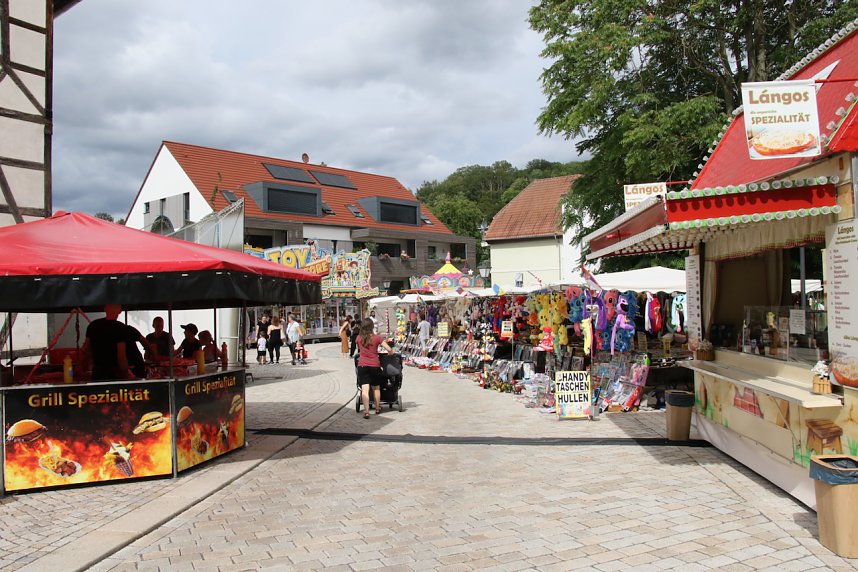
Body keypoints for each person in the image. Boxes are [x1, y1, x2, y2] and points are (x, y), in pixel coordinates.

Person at [79, 303, 131, 381]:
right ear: (120, 310)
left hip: (97, 372)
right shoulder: (121, 328)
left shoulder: (93, 325)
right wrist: (126, 375)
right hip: (114, 374)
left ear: (105, 309)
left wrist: (80, 367)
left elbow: (86, 350)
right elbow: (121, 356)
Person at [355, 318, 393, 419]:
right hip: (374, 366)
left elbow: (359, 349)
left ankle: (366, 411)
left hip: (362, 365)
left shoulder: (359, 338)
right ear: (372, 327)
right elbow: (389, 349)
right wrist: (390, 354)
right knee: (376, 388)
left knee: (365, 390)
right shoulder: (377, 338)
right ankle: (377, 408)